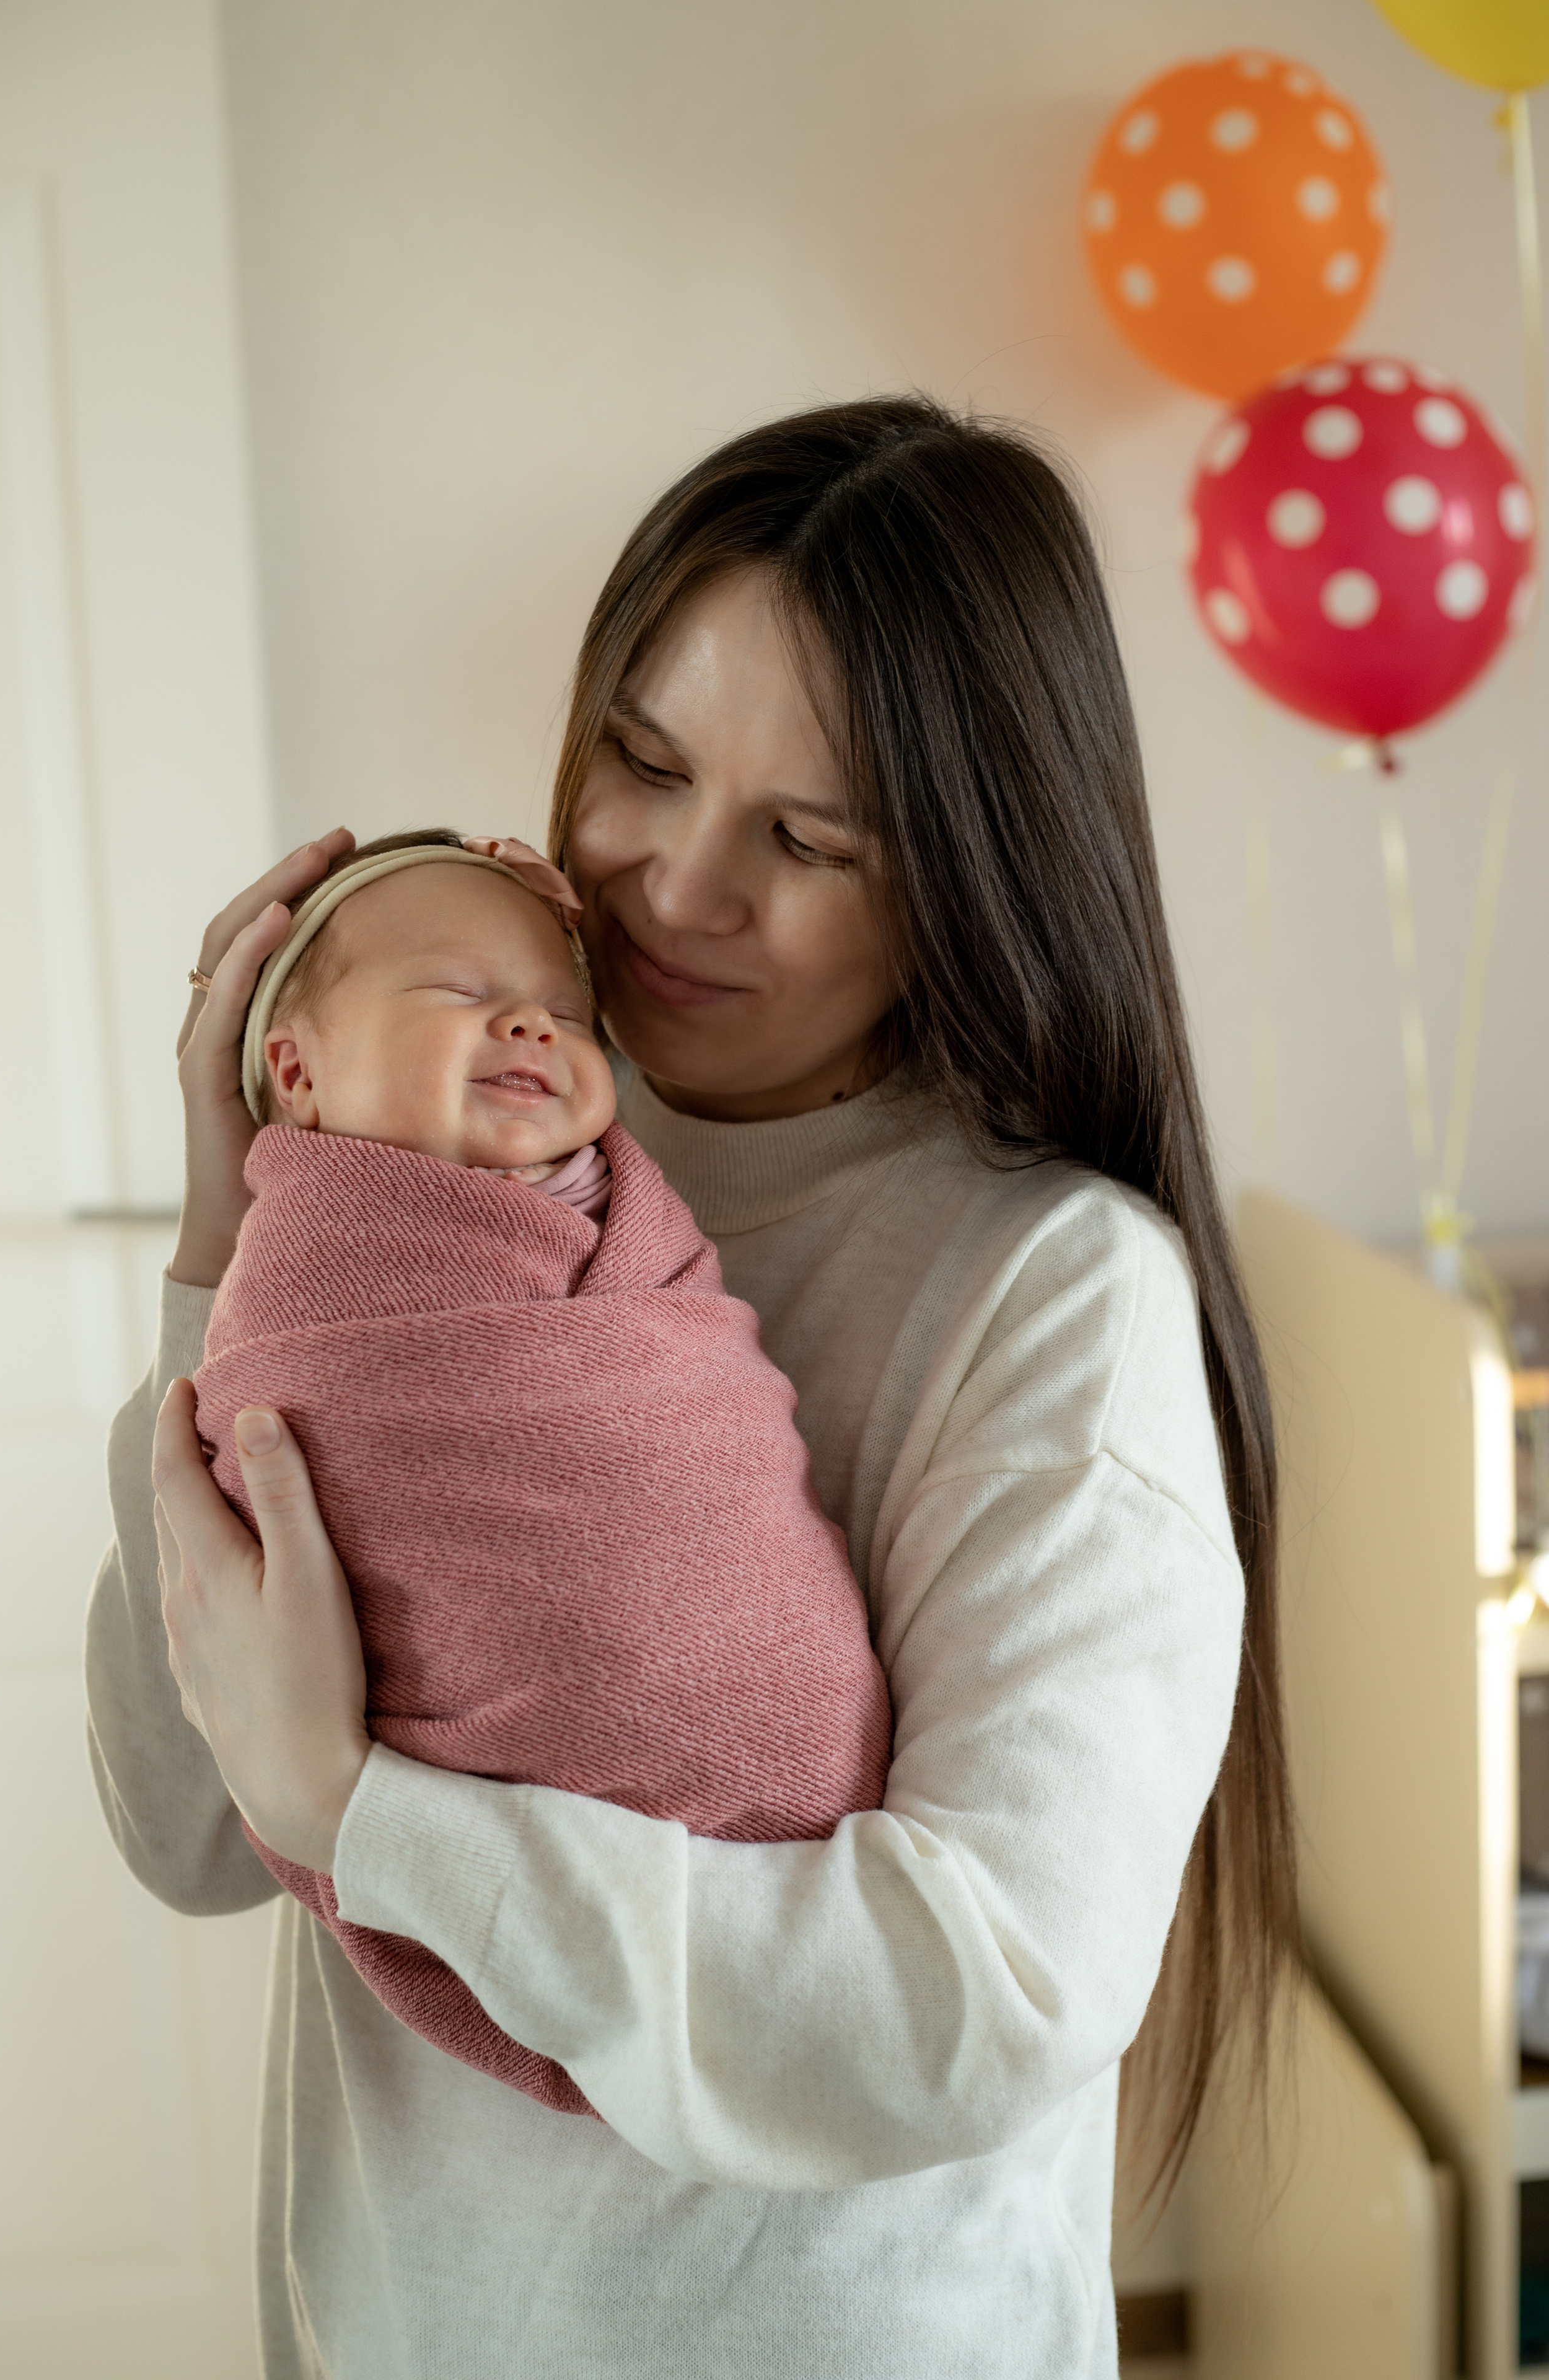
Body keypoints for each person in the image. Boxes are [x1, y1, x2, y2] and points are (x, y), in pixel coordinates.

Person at [86, 394, 1293, 2379]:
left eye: (806, 840)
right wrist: (232, 1246)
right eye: (640, 764)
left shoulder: (1050, 1299)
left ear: (966, 881)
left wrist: (372, 1815)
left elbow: (971, 1998)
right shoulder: (436, 1155)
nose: (667, 888)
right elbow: (187, 1829)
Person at [193, 824, 889, 2112]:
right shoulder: (301, 1285)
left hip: (796, 1868)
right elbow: (185, 1817)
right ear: (295, 1069)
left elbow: (687, 1413)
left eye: (568, 1015)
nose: (529, 1027)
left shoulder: (627, 1211)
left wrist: (339, 1799)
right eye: (462, 995)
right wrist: (205, 1242)